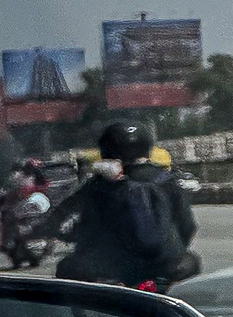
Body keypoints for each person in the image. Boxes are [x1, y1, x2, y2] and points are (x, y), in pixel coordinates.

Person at [54, 121, 199, 290]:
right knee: (190, 262)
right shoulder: (166, 179)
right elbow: (188, 225)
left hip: (113, 270)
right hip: (163, 269)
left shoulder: (98, 185)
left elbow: (66, 220)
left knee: (66, 268)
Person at [0, 166, 52, 268]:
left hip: (30, 219)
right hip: (25, 219)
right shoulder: (19, 190)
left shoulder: (31, 189)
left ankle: (13, 249)